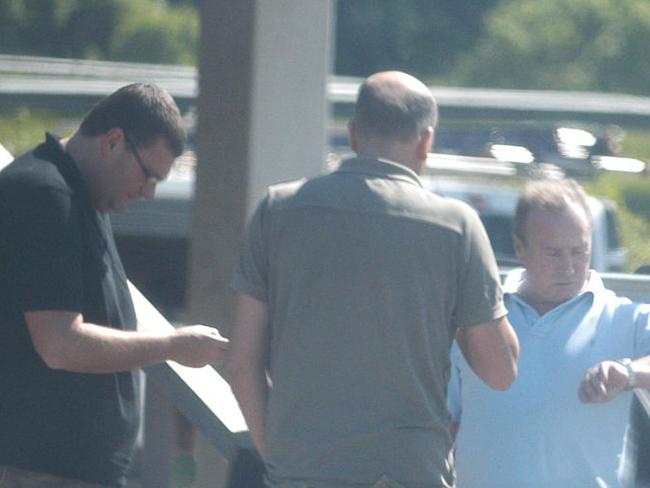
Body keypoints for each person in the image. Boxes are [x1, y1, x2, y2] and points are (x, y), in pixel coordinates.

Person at [226, 70, 519, 488]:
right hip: (407, 472)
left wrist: (278, 454)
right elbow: (500, 370)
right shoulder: (457, 227)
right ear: (426, 141)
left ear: (352, 134)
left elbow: (241, 365)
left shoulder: (277, 211)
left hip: (300, 469)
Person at [0, 83, 229, 488]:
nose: (150, 193)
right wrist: (172, 347)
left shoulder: (80, 193)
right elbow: (60, 344)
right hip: (40, 471)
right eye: (148, 175)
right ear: (113, 142)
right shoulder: (46, 194)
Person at [448, 178, 650, 487]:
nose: (568, 267)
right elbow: (444, 424)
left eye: (579, 251)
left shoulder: (625, 318)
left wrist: (629, 372)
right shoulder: (476, 321)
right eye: (553, 254)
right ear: (519, 248)